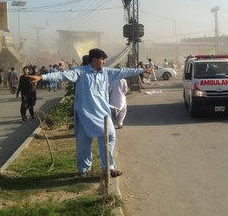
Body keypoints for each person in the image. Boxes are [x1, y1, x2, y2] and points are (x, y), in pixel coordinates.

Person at [28, 48, 146, 178]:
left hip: (102, 115)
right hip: (84, 115)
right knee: (83, 144)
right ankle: (83, 170)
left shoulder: (106, 72)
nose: (104, 62)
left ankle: (108, 168)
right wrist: (42, 77)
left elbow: (123, 72)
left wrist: (142, 70)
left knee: (110, 136)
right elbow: (62, 75)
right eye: (102, 59)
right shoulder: (80, 72)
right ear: (94, 60)